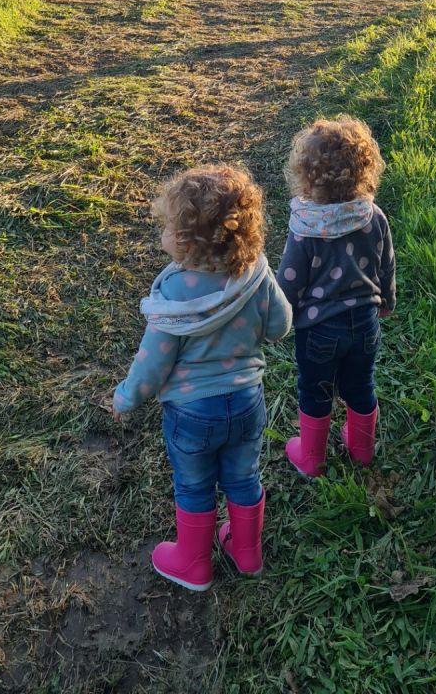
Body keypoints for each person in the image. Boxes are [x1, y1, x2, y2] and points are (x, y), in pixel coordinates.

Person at [111, 165, 292, 591]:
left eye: (169, 228)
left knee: (194, 485)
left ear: (187, 241)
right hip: (247, 402)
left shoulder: (173, 295)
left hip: (191, 413)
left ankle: (193, 563)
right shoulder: (255, 275)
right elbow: (281, 325)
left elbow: (152, 364)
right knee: (243, 477)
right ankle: (247, 553)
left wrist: (125, 396)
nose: (164, 234)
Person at [276, 117, 396, 477]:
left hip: (318, 332)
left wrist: (278, 319)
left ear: (306, 176)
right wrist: (386, 301)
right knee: (361, 384)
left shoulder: (305, 228)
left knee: (315, 391)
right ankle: (361, 449)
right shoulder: (372, 216)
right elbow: (386, 265)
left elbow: (289, 284)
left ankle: (312, 458)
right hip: (365, 323)